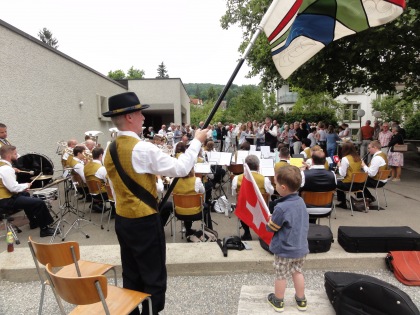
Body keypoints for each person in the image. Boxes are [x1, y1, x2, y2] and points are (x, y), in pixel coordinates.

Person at [102, 92, 208, 315]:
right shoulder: (142, 148)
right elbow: (180, 169)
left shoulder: (108, 150)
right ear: (130, 117)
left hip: (122, 220)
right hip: (145, 222)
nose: (143, 117)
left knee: (131, 273)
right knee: (154, 277)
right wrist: (197, 142)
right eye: (140, 113)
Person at [266, 165, 309, 312]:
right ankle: (301, 299)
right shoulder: (301, 202)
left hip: (284, 249)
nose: (275, 186)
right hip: (300, 247)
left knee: (281, 275)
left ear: (283, 187)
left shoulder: (281, 207)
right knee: (297, 272)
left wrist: (270, 220)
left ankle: (278, 300)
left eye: (276, 184)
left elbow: (272, 228)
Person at [0, 145, 55, 237]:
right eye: (15, 154)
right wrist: (26, 185)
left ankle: (33, 222)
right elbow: (13, 188)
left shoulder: (3, 166)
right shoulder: (6, 169)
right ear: (9, 156)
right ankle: (45, 229)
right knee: (39, 202)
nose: (17, 156)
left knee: (25, 194)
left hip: (5, 197)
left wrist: (22, 187)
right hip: (5, 201)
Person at [232, 155, 274, 240]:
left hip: (245, 208)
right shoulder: (264, 179)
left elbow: (234, 193)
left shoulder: (237, 178)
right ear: (258, 167)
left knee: (241, 207)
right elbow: (271, 192)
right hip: (260, 209)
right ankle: (264, 232)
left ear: (245, 167)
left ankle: (247, 233)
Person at [172, 167, 213, 234]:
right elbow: (202, 191)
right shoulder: (197, 180)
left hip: (179, 213)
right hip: (195, 213)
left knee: (185, 205)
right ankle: (210, 231)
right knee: (205, 207)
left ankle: (188, 230)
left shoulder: (173, 181)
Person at [83, 147, 113, 214]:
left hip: (91, 192)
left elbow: (85, 180)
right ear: (101, 155)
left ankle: (97, 204)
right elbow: (108, 182)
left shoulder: (86, 167)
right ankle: (114, 210)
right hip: (102, 194)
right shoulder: (101, 168)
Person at [335, 142, 363, 209]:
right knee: (339, 182)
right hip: (358, 184)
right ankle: (342, 201)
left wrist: (339, 165)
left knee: (335, 182)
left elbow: (342, 174)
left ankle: (342, 202)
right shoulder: (358, 158)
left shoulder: (345, 159)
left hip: (349, 184)